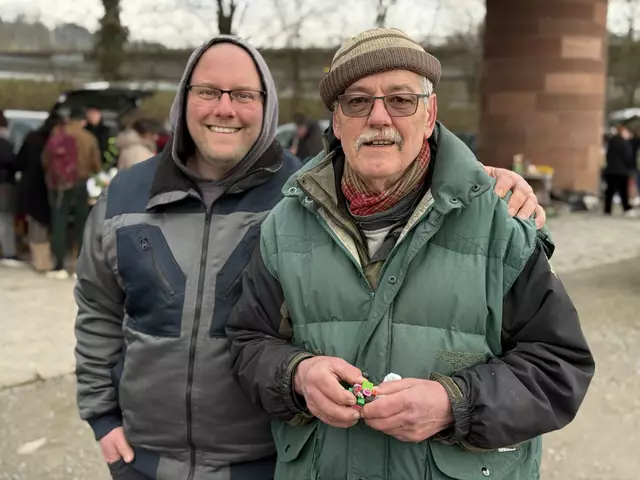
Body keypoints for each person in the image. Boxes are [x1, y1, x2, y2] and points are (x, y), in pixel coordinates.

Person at [74, 33, 545, 480]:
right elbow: (99, 308)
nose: (224, 108)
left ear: (267, 106)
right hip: (145, 459)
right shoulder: (129, 195)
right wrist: (102, 416)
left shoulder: (300, 198)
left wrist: (482, 185)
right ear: (183, 99)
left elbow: (552, 360)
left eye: (244, 94)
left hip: (261, 462)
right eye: (208, 91)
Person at [226, 28, 594, 480]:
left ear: (430, 113)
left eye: (401, 100)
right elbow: (248, 344)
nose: (379, 117)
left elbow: (559, 367)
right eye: (357, 101)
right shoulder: (284, 225)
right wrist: (296, 375)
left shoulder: (501, 223)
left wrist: (456, 404)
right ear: (337, 121)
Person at [43, 108, 101, 279]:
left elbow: (45, 159)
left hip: (59, 186)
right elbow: (96, 165)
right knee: (81, 223)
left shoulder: (57, 134)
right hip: (80, 184)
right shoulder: (88, 137)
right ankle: (79, 268)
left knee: (59, 222)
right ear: (83, 121)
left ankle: (58, 266)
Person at [15, 113, 62, 272]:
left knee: (36, 222)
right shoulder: (58, 141)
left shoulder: (32, 138)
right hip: (52, 184)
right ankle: (46, 260)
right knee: (49, 222)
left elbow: (19, 162)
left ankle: (40, 261)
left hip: (30, 184)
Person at [0, 109, 21, 267]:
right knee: (5, 218)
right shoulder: (4, 144)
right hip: (3, 184)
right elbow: (13, 163)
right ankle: (9, 253)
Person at [604, 122, 636, 216]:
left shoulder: (611, 143)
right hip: (622, 171)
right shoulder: (625, 144)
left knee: (610, 191)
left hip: (611, 170)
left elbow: (608, 156)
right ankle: (626, 208)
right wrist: (630, 167)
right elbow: (628, 158)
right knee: (623, 191)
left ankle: (607, 210)